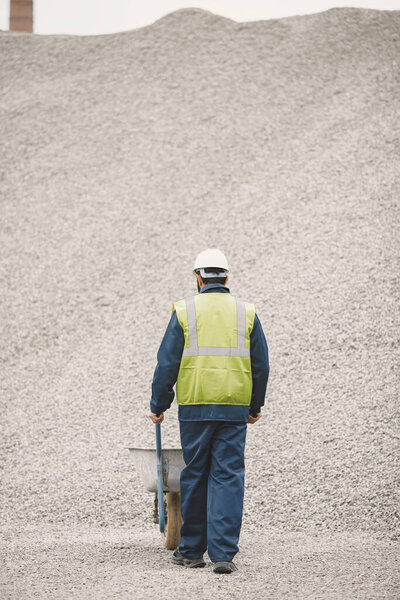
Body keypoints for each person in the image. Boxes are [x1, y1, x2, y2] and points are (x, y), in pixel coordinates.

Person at [149, 249, 270, 574]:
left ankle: (190, 552)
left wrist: (158, 406)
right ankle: (223, 554)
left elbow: (167, 364)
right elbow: (261, 364)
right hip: (233, 407)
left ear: (198, 278)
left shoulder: (184, 310)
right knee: (227, 475)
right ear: (227, 278)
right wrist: (254, 406)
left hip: (195, 407)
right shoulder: (246, 311)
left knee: (195, 473)